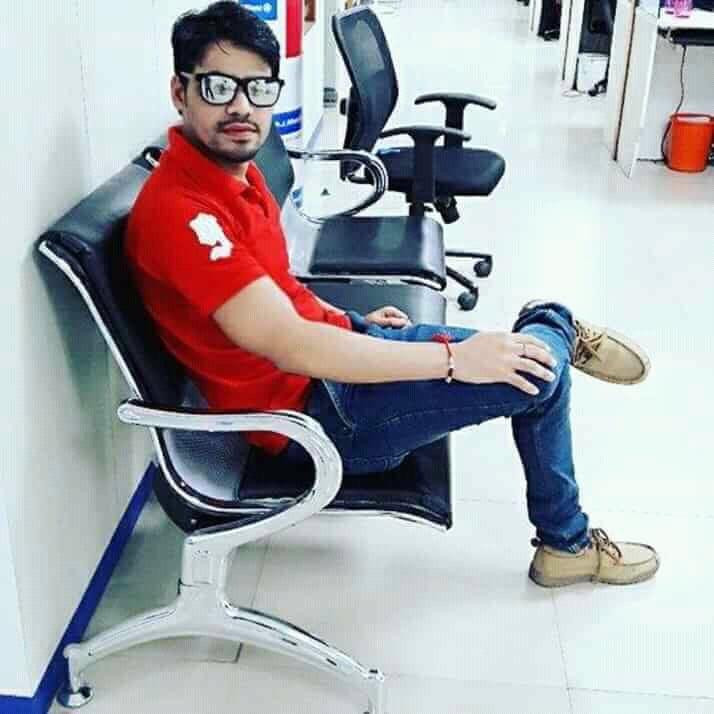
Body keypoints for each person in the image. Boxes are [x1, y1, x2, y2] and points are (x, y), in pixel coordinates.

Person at [126, 2, 659, 588]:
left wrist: (345, 316)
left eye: (259, 89)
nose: (241, 107)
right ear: (180, 92)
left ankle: (554, 332)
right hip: (319, 421)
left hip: (332, 363)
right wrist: (454, 360)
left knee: (529, 356)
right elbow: (287, 343)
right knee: (538, 373)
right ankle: (567, 531)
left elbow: (275, 291)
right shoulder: (184, 216)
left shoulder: (234, 176)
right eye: (219, 87)